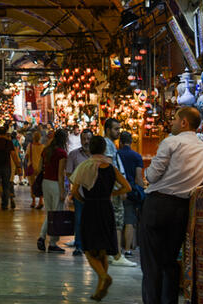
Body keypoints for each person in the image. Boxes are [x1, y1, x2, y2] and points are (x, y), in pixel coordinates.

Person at [140, 106, 203, 304]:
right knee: (170, 261)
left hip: (158, 205)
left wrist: (149, 175)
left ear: (184, 122)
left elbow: (152, 175)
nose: (172, 122)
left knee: (152, 263)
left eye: (175, 119)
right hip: (183, 209)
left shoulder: (172, 142)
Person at [70, 135, 132, 301]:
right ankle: (99, 288)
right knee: (103, 248)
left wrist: (83, 200)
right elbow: (127, 187)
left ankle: (103, 277)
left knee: (89, 247)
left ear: (90, 148)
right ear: (105, 149)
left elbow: (74, 190)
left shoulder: (85, 166)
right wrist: (112, 193)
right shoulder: (111, 168)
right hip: (106, 207)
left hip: (90, 208)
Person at [102, 118, 135, 268]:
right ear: (108, 129)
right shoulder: (108, 145)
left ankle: (110, 253)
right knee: (118, 222)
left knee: (114, 221)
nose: (118, 132)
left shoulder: (110, 145)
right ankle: (116, 254)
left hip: (113, 188)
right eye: (116, 129)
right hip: (114, 189)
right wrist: (120, 186)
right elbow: (110, 166)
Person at [37, 129, 68, 253]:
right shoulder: (62, 153)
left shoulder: (46, 151)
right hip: (56, 184)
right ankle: (52, 242)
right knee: (56, 213)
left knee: (50, 213)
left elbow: (39, 168)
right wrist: (62, 191)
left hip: (46, 183)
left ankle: (42, 237)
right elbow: (61, 174)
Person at [66, 128, 93, 256]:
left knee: (93, 220)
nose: (86, 141)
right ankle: (79, 245)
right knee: (79, 220)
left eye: (89, 139)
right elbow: (69, 173)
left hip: (95, 194)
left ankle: (92, 245)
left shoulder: (97, 155)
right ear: (80, 140)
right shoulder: (74, 155)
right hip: (79, 193)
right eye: (84, 139)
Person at [117, 131, 144, 257]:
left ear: (120, 142)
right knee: (129, 221)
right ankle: (127, 249)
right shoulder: (137, 156)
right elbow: (139, 177)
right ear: (131, 142)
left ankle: (117, 250)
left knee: (117, 222)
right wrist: (141, 191)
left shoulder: (116, 154)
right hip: (131, 192)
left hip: (117, 191)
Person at [26, 130, 44, 209]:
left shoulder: (30, 146)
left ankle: (33, 202)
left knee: (32, 185)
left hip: (31, 167)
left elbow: (26, 156)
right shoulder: (43, 147)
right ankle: (41, 201)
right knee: (40, 184)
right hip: (40, 168)